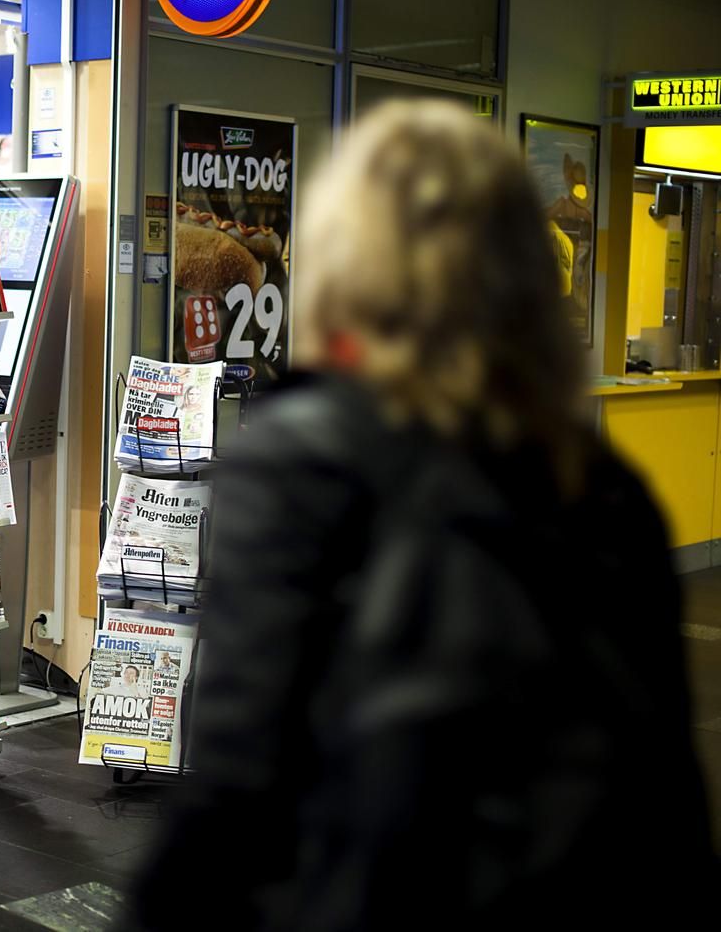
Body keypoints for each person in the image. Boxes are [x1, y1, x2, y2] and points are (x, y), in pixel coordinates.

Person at [130, 102, 717, 930]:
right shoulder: (604, 487)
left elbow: (237, 793)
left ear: (349, 266)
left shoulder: (302, 461)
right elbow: (666, 802)